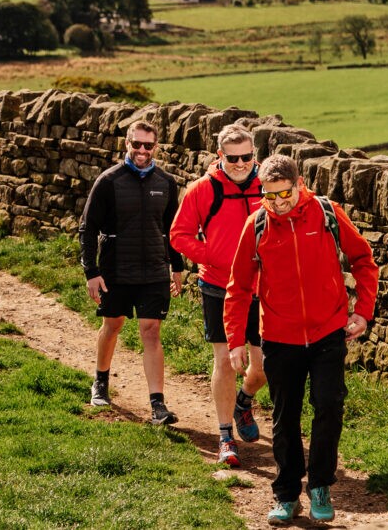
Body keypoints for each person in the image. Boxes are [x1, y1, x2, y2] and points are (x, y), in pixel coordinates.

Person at [224, 154, 378, 524]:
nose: (278, 203)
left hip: (328, 332)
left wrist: (362, 310)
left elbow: (363, 260)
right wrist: (234, 340)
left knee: (328, 406)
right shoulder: (256, 225)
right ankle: (286, 494)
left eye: (285, 194)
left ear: (300, 184)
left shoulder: (326, 214)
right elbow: (239, 286)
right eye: (270, 195)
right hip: (279, 336)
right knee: (285, 417)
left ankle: (321, 486)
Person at [170, 124, 267, 468]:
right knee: (225, 360)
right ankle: (226, 436)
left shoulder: (268, 185)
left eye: (247, 157)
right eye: (233, 158)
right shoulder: (202, 190)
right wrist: (213, 256)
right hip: (218, 286)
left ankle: (245, 401)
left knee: (263, 366)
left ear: (254, 154)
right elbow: (178, 235)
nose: (241, 164)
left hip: (262, 288)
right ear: (219, 156)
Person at [79, 120, 185, 425]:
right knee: (113, 325)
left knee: (151, 332)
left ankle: (157, 405)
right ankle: (100, 381)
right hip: (115, 270)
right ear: (126, 144)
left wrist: (176, 268)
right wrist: (91, 272)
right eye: (136, 144)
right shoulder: (108, 181)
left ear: (156, 147)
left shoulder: (166, 182)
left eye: (148, 145)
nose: (142, 150)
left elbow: (171, 230)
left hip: (153, 270)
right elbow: (88, 229)